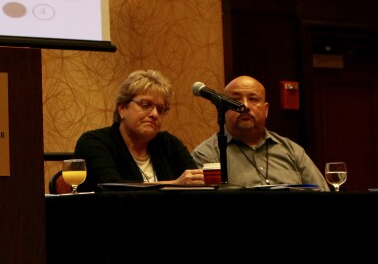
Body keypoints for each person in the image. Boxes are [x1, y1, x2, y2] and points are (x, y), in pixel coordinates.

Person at [73, 69, 205, 192]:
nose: (154, 114)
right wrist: (173, 185)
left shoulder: (169, 143)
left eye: (160, 109)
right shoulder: (93, 142)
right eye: (146, 105)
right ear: (122, 108)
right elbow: (112, 188)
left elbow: (197, 184)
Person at [191, 75, 329, 189]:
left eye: (253, 99)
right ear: (223, 108)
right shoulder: (207, 154)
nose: (244, 106)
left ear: (266, 109)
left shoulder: (292, 151)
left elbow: (323, 194)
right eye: (235, 100)